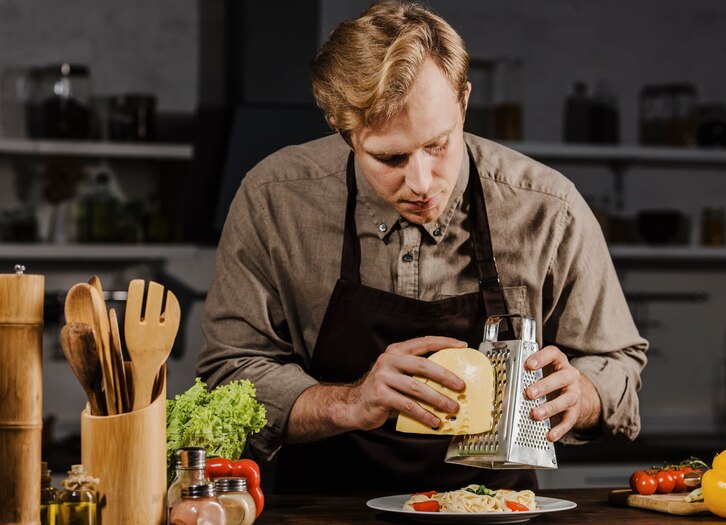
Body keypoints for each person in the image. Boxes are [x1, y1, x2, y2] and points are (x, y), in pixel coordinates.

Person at [197, 0, 647, 494]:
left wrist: (583, 394)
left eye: (438, 145)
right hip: (320, 518)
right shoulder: (274, 199)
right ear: (343, 130)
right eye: (390, 158)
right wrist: (349, 403)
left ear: (464, 101)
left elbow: (617, 364)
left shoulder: (547, 207)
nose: (421, 182)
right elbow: (231, 372)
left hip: (499, 516)